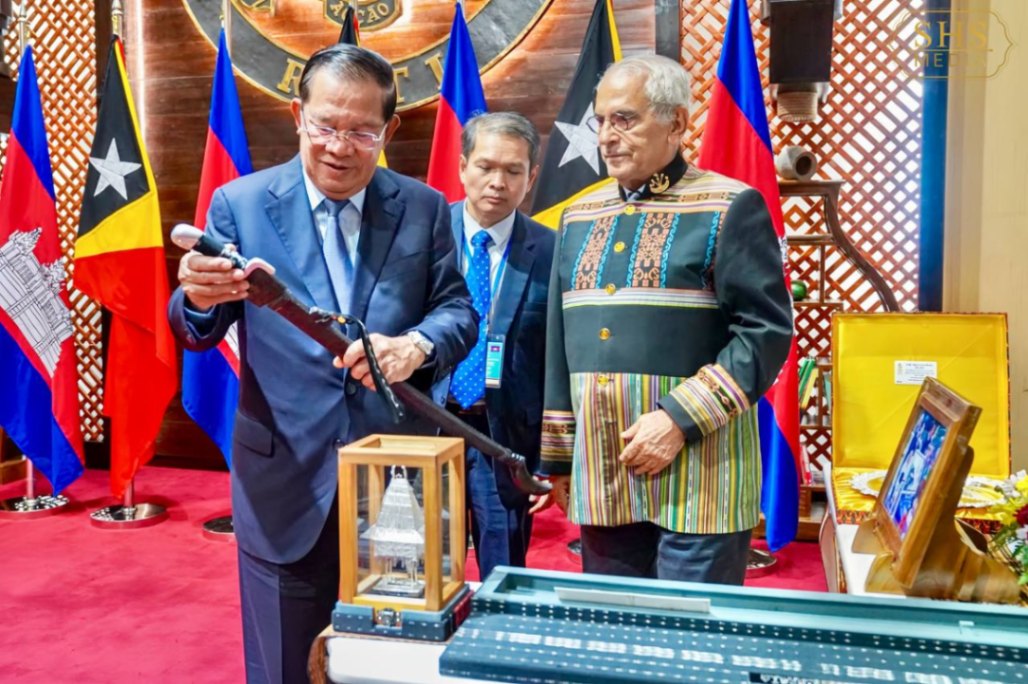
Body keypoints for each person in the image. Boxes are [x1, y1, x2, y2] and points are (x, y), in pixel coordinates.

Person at [167, 44, 477, 684]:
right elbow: (201, 328)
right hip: (285, 476)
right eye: (325, 126)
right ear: (296, 115)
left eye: (361, 132)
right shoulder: (241, 204)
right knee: (286, 663)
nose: (339, 147)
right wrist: (196, 298)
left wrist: (415, 346)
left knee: (396, 663)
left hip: (397, 478)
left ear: (389, 130)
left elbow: (457, 311)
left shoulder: (422, 207)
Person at [531, 54, 793, 585]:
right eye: (601, 121)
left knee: (691, 631)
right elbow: (558, 343)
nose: (607, 137)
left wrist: (677, 419)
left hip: (703, 478)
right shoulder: (578, 216)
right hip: (604, 475)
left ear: (676, 122)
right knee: (614, 625)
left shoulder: (730, 205)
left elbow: (765, 334)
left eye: (625, 119)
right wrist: (559, 460)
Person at [443, 112, 554, 579]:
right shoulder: (424, 235)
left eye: (513, 171)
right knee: (428, 568)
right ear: (463, 166)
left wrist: (550, 458)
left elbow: (556, 359)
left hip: (504, 438)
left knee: (504, 571)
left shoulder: (552, 250)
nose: (497, 182)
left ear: (531, 177)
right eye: (486, 166)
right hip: (432, 425)